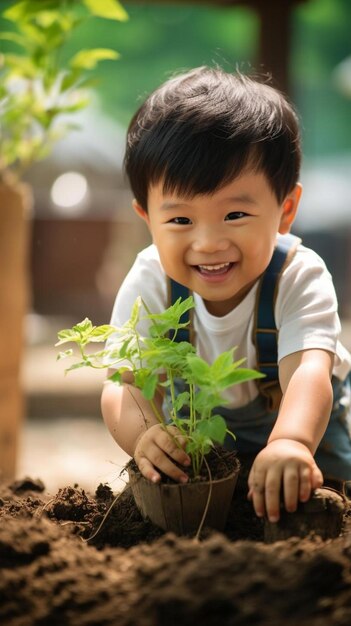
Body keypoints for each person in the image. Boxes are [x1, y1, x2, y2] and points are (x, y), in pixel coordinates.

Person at [101, 66, 351, 523]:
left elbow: (308, 374)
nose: (209, 242)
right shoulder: (151, 280)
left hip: (301, 431)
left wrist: (291, 442)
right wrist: (144, 435)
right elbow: (125, 385)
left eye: (235, 214)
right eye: (180, 220)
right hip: (201, 451)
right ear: (147, 217)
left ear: (285, 210)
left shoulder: (297, 275)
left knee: (318, 507)